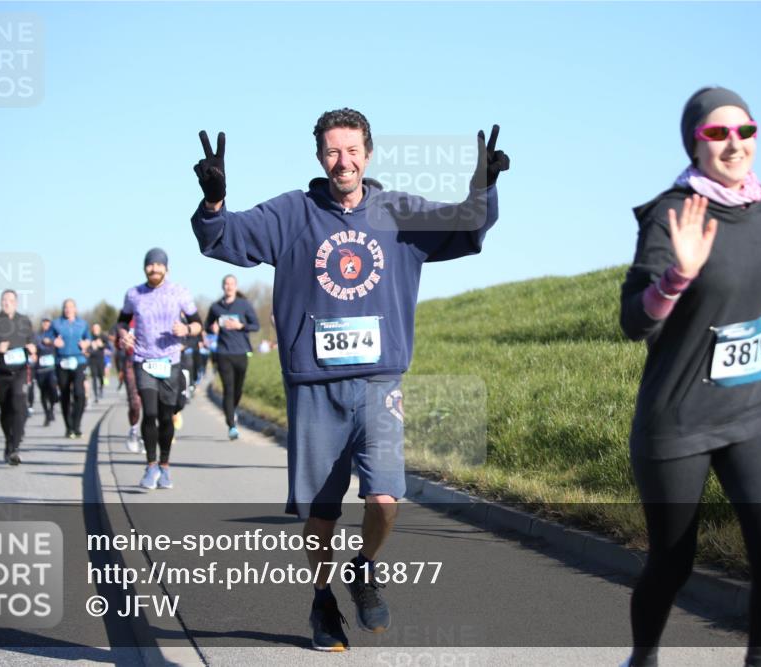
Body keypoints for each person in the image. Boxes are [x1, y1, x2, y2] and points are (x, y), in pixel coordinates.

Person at [191, 108, 508, 651]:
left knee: (385, 499)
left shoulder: (398, 212)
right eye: (334, 151)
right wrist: (214, 201)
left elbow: (466, 224)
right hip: (313, 387)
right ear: (320, 156)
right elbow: (224, 238)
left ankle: (362, 568)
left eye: (353, 149)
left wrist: (483, 185)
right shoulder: (293, 213)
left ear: (369, 152)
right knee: (320, 514)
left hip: (380, 384)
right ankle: (321, 600)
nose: (344, 160)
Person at [618, 87, 761, 667]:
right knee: (673, 561)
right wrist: (678, 277)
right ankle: (644, 657)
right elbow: (635, 320)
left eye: (745, 131)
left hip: (753, 409)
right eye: (717, 134)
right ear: (695, 143)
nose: (734, 144)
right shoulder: (673, 213)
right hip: (679, 418)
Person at [117, 248, 201, 490]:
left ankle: (164, 466)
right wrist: (124, 335)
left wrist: (186, 330)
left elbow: (198, 323)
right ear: (144, 268)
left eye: (158, 265)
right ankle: (150, 465)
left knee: (166, 417)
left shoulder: (179, 292)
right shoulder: (134, 294)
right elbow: (122, 321)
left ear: (167, 268)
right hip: (143, 360)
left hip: (170, 361)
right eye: (150, 265)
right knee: (150, 413)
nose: (154, 269)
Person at [0, 290, 36, 465]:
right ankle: (8, 441)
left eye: (10, 300)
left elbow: (32, 340)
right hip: (1, 372)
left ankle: (15, 447)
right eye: (4, 300)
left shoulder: (24, 321)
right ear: (0, 302)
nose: (7, 303)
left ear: (16, 303)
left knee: (19, 404)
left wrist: (33, 347)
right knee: (5, 410)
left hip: (20, 370)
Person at [205, 274, 260, 440]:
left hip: (241, 352)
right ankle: (231, 425)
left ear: (236, 287)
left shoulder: (244, 305)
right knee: (228, 389)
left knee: (237, 389)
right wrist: (212, 328)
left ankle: (232, 410)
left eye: (232, 284)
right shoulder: (216, 307)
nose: (229, 287)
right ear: (223, 287)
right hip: (223, 352)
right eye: (226, 284)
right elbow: (207, 325)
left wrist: (240, 325)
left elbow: (255, 325)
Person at [45, 299, 91, 439]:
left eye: (71, 307)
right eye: (66, 307)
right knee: (64, 394)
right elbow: (45, 338)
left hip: (79, 361)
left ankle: (76, 425)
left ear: (75, 309)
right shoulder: (56, 323)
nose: (68, 309)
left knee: (79, 393)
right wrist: (53, 341)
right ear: (63, 309)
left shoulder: (82, 324)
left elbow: (88, 339)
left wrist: (85, 343)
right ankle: (69, 427)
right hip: (62, 361)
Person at [116, 316, 143, 453]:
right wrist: (123, 342)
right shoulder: (126, 320)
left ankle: (146, 436)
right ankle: (133, 430)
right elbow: (117, 344)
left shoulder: (153, 312)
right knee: (135, 402)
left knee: (150, 401)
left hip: (150, 361)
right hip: (131, 363)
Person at [33, 317, 60, 426]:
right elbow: (34, 346)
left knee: (53, 390)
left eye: (48, 324)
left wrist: (51, 342)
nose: (46, 325)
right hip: (40, 369)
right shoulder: (37, 335)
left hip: (52, 369)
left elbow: (60, 346)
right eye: (44, 323)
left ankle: (52, 408)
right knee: (43, 393)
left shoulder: (54, 335)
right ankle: (47, 414)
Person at [88, 323, 111, 403]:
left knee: (101, 376)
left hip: (101, 359)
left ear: (99, 329)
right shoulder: (89, 337)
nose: (95, 329)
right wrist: (91, 345)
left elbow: (108, 346)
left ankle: (101, 389)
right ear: (92, 329)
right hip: (92, 359)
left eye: (97, 328)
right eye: (94, 328)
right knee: (93, 377)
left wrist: (101, 345)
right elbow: (86, 346)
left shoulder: (103, 336)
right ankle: (96, 395)